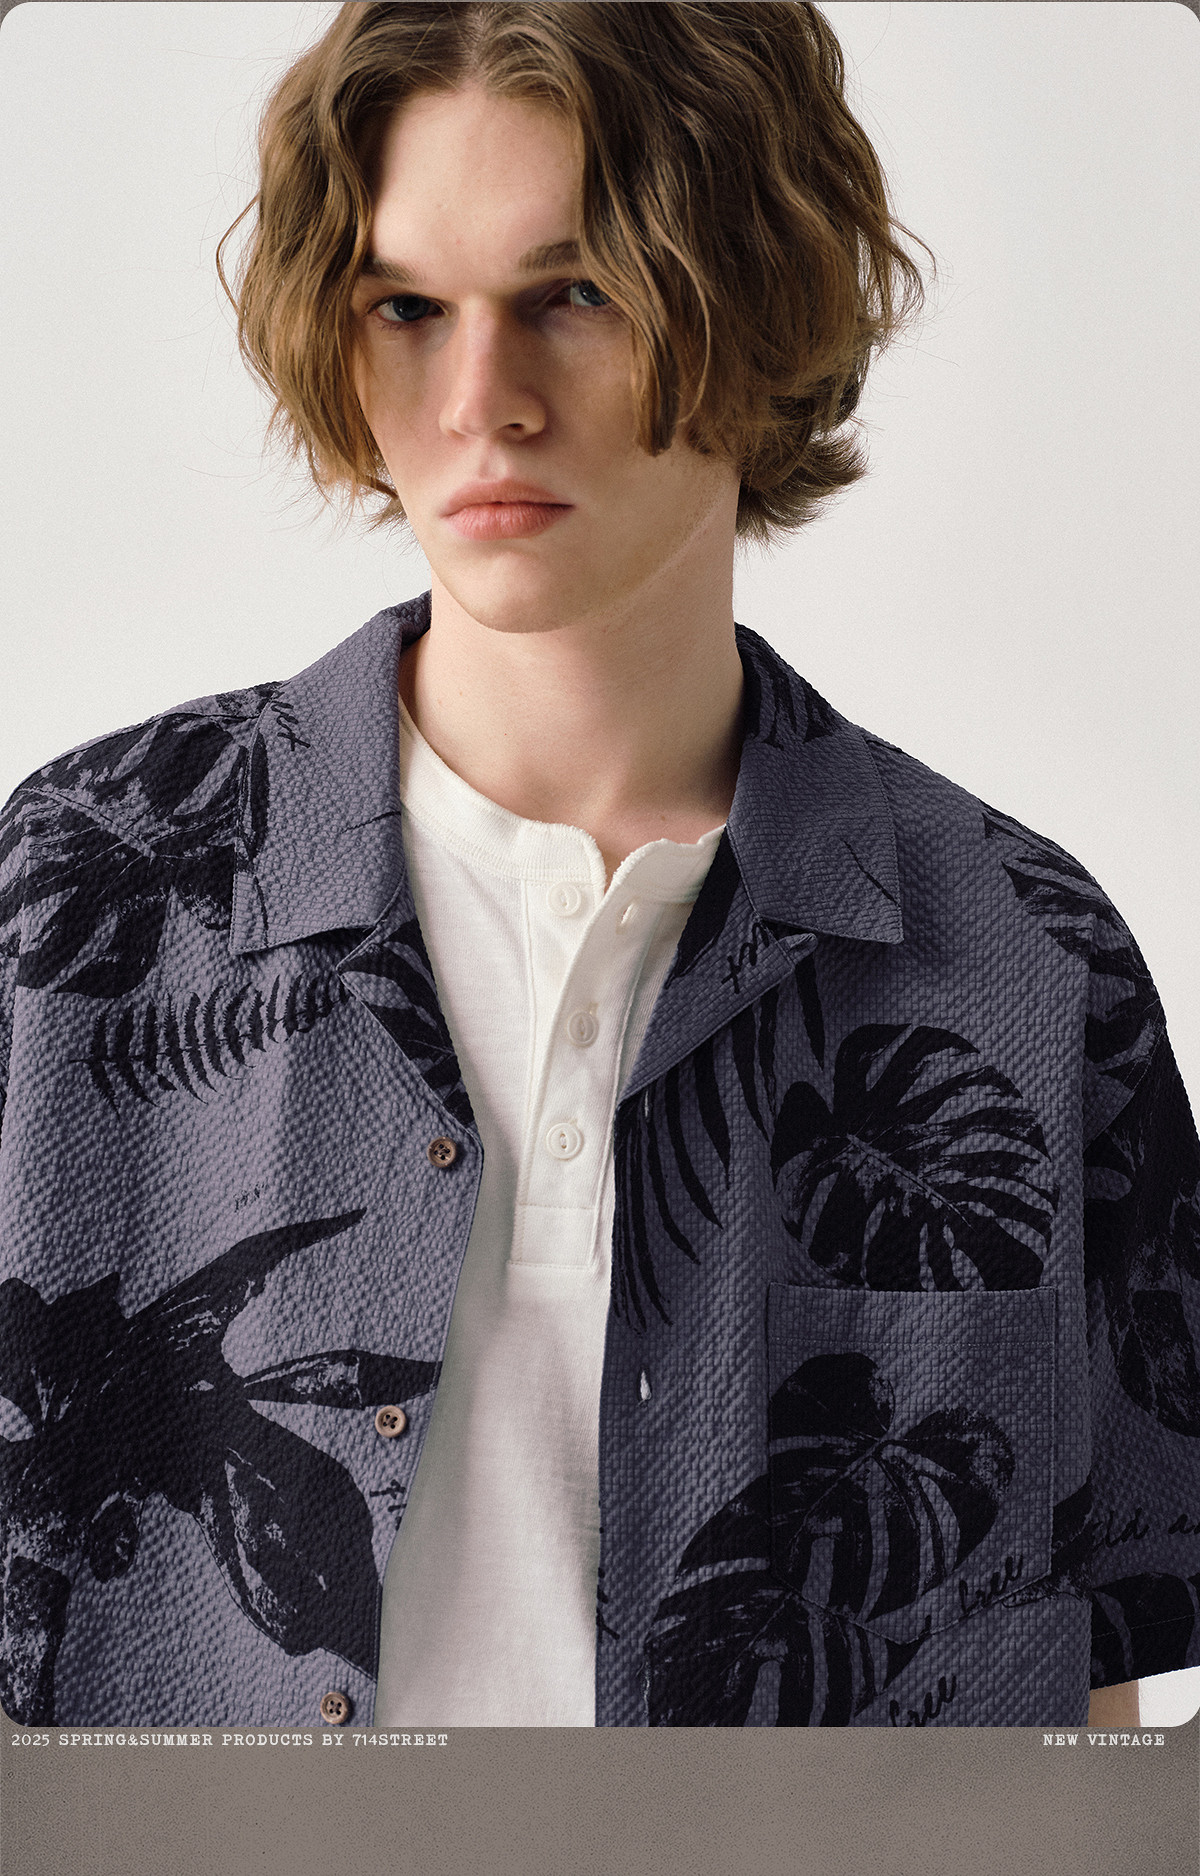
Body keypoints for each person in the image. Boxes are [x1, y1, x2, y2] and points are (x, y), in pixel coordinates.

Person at [0, 0, 1195, 1729]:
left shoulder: (1028, 957)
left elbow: (1097, 1727)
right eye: (407, 308)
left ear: (753, 301)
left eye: (573, 295)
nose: (480, 402)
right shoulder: (77, 909)